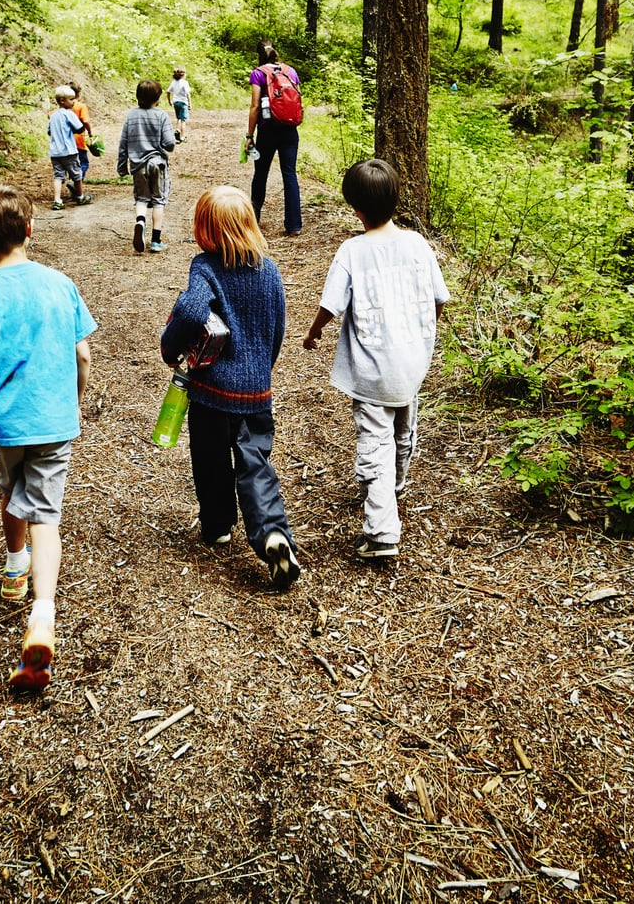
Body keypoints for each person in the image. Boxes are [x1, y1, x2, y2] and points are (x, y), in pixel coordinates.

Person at [0, 184, 96, 692]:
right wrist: (73, 401)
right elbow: (83, 356)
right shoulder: (60, 284)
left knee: (13, 490)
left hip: (5, 423)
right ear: (30, 229)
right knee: (46, 514)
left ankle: (14, 569)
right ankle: (43, 615)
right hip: (53, 419)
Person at [302, 160, 450, 561]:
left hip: (371, 368)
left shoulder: (353, 250)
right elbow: (438, 299)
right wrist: (421, 336)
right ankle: (393, 487)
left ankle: (383, 530)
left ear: (357, 210)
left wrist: (313, 333)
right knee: (404, 427)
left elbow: (330, 304)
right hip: (411, 362)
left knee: (375, 440)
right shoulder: (418, 244)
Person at [161, 186, 301, 590]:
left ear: (205, 229)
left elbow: (190, 309)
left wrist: (171, 347)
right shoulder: (269, 269)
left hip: (211, 393)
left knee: (211, 461)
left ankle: (218, 526)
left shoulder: (205, 267)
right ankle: (272, 533)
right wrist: (261, 367)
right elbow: (276, 328)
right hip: (256, 392)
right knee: (255, 463)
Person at [245, 40, 303, 236]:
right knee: (290, 174)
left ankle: (254, 221)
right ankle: (294, 225)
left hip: (268, 129)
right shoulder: (291, 71)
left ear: (259, 55)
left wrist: (249, 134)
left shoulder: (258, 73)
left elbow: (254, 107)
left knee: (261, 173)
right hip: (290, 129)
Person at [117, 79, 178, 254]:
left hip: (138, 165)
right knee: (158, 200)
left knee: (142, 198)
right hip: (157, 163)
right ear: (157, 98)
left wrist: (122, 166)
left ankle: (140, 221)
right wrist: (172, 140)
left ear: (138, 97)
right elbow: (169, 144)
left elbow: (123, 143)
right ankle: (156, 240)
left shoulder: (131, 116)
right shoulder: (161, 116)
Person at [47, 87, 90, 209]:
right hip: (69, 151)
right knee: (77, 173)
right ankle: (80, 196)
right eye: (71, 100)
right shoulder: (69, 114)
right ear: (62, 101)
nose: (73, 102)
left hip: (55, 152)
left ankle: (57, 200)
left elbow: (49, 132)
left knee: (58, 176)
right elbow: (80, 128)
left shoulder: (53, 116)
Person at [69, 79, 103, 190]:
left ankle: (72, 182)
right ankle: (76, 183)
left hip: (66, 141)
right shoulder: (80, 106)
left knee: (71, 163)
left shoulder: (63, 107)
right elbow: (85, 121)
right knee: (83, 163)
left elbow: (50, 115)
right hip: (79, 140)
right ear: (78, 94)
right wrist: (90, 132)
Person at [168, 68, 192, 141]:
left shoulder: (174, 82)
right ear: (183, 75)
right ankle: (182, 137)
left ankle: (177, 130)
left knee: (178, 118)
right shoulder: (184, 82)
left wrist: (169, 101)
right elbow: (188, 94)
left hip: (175, 102)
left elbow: (168, 92)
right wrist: (190, 103)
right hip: (183, 102)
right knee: (183, 120)